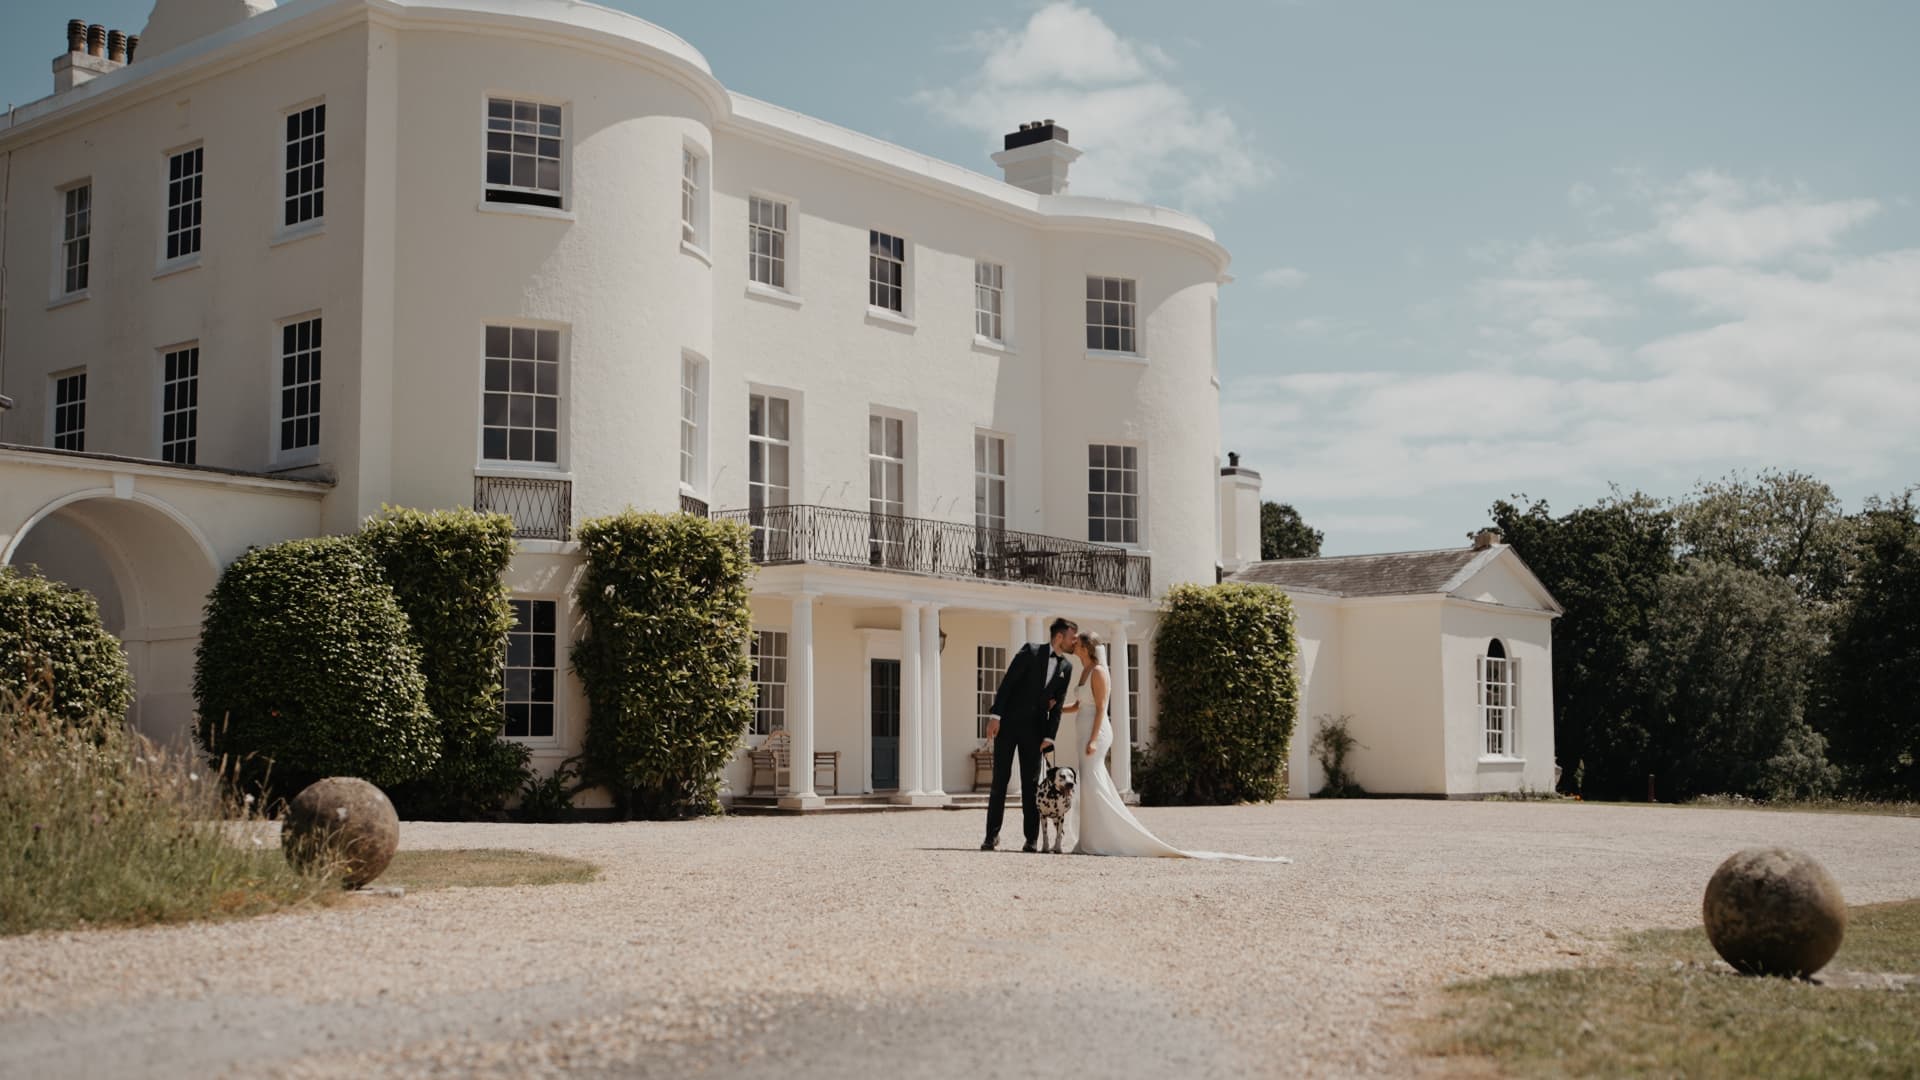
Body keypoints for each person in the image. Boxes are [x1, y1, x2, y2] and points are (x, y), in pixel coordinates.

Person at [1066, 630, 1290, 862]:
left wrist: (1093, 739)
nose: (1074, 646)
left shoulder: (1099, 672)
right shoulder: (1085, 671)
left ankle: (1109, 837)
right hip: (1082, 731)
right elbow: (1080, 704)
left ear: (1087, 647)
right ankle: (1092, 838)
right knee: (1089, 784)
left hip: (1096, 732)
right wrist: (1057, 709)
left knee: (1094, 782)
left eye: (1078, 644)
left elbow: (1102, 708)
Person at [981, 617, 1078, 852]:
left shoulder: (1067, 668)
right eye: (1072, 637)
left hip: (1035, 732)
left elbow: (1057, 706)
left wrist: (1050, 737)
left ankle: (1031, 839)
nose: (1074, 641)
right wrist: (996, 716)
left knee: (1031, 785)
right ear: (1059, 637)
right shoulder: (1030, 651)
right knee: (999, 782)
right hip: (1009, 726)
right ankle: (991, 836)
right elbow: (1007, 684)